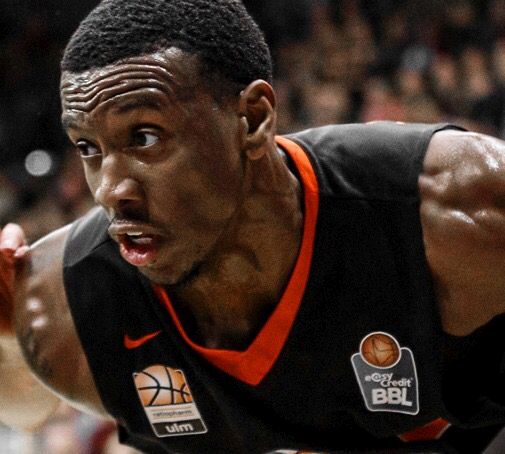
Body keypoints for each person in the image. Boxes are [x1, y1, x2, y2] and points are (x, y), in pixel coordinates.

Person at [1, 1, 505, 453]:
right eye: (88, 148)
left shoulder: (457, 210)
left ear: (254, 118)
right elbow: (26, 409)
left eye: (146, 137)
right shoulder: (68, 301)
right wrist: (5, 338)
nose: (111, 190)